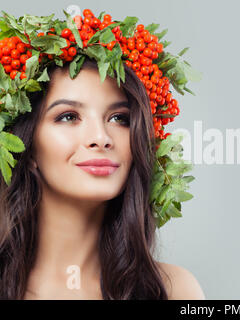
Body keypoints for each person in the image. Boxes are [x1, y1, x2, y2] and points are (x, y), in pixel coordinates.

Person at [0, 57, 205, 300]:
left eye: (119, 118)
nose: (101, 137)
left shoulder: (173, 290)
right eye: (68, 116)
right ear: (26, 146)